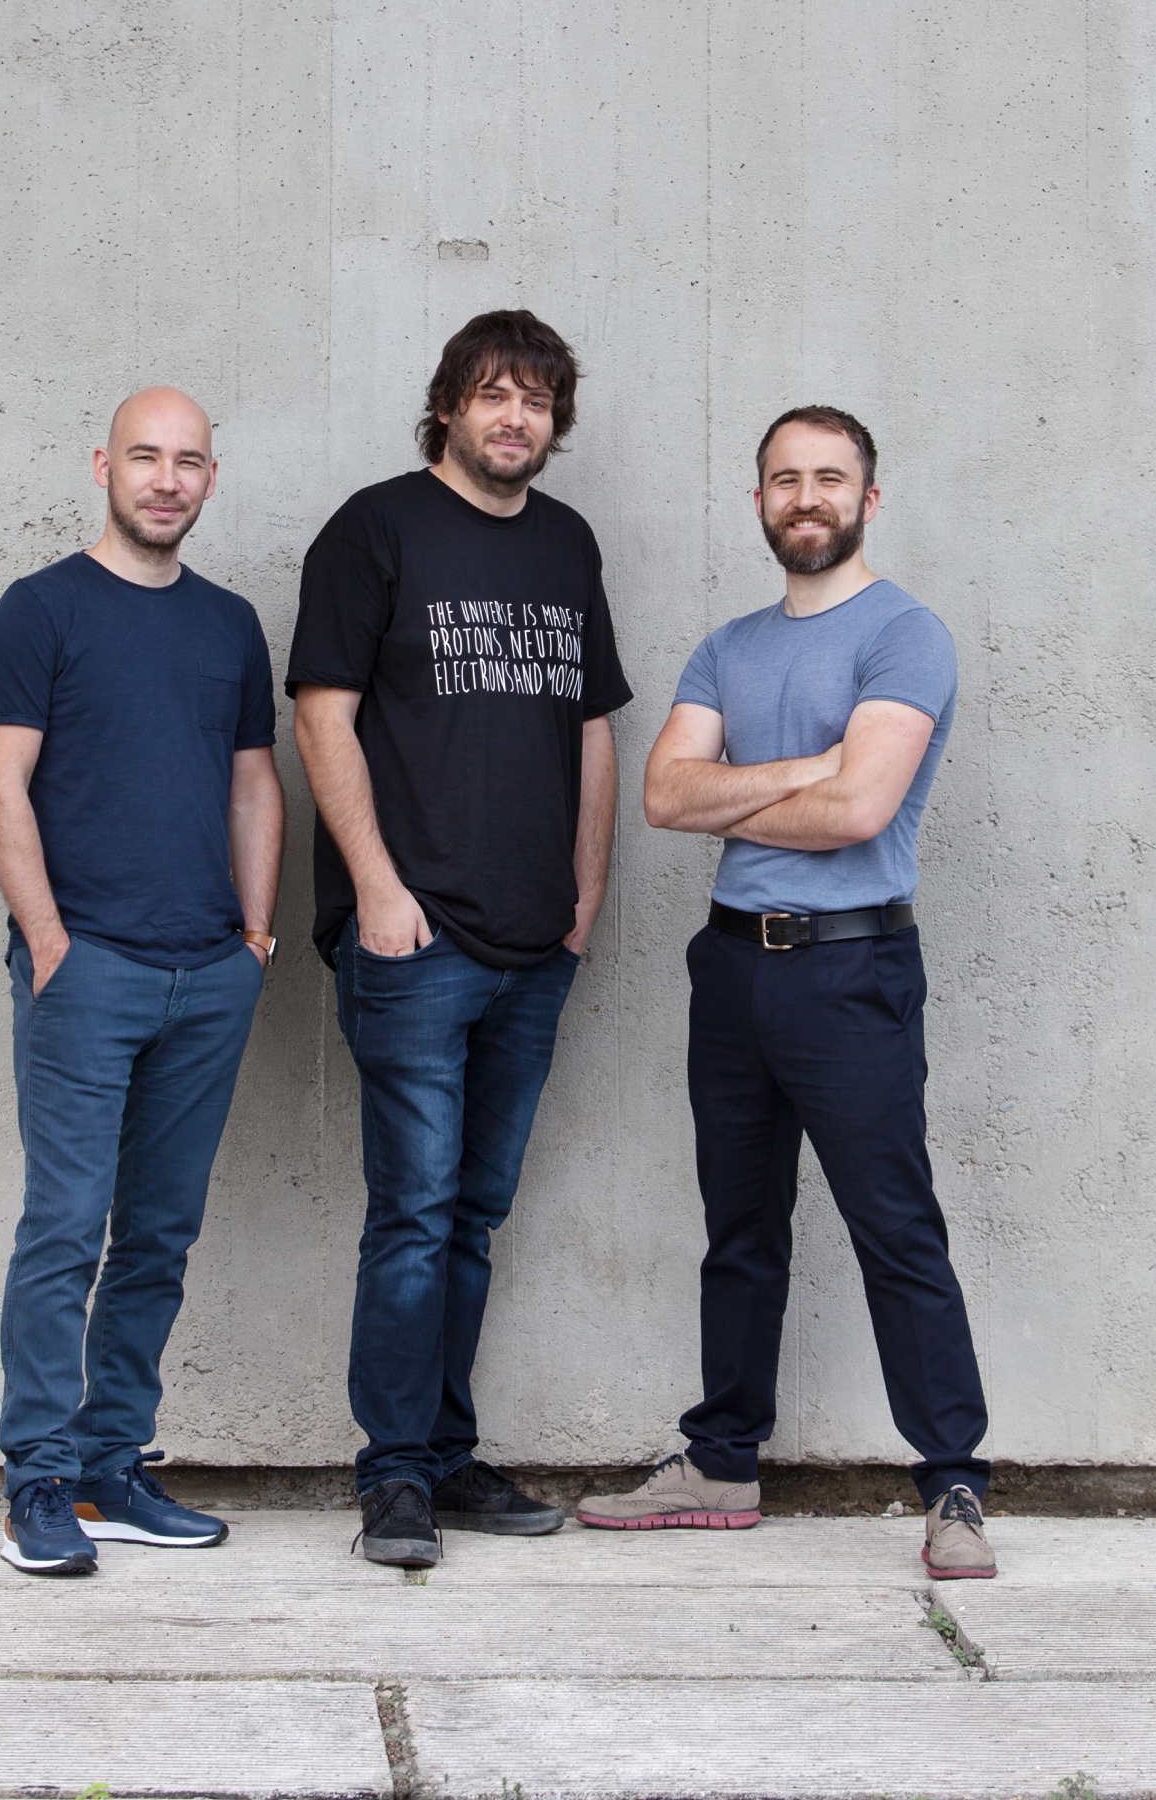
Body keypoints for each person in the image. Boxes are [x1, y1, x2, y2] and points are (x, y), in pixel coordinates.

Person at [577, 406, 996, 1582]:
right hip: (731, 970)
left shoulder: (905, 635)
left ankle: (953, 1482)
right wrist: (813, 764)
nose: (806, 497)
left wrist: (750, 788)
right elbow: (664, 796)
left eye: (829, 478)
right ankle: (722, 1460)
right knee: (740, 1227)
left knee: (894, 1228)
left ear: (869, 498)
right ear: (758, 498)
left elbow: (860, 811)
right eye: (784, 478)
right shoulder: (727, 648)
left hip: (851, 971)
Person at [286, 310, 632, 1568]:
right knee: (415, 1213)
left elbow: (592, 727)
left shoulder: (567, 542)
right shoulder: (374, 529)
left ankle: (443, 1455)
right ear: (448, 406)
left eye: (536, 400)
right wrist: (377, 889)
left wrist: (585, 895)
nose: (514, 418)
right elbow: (322, 715)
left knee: (472, 1215)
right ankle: (393, 1475)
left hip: (535, 947)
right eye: (493, 394)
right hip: (414, 941)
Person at [0, 387, 284, 1576]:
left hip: (208, 974)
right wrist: (49, 942)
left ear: (211, 479)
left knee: (157, 1236)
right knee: (64, 1230)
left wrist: (255, 937)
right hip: (88, 972)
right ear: (103, 466)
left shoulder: (230, 624)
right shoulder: (40, 609)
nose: (166, 479)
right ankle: (38, 1481)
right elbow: (2, 785)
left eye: (188, 460)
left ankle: (111, 1464)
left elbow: (253, 784)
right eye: (145, 456)